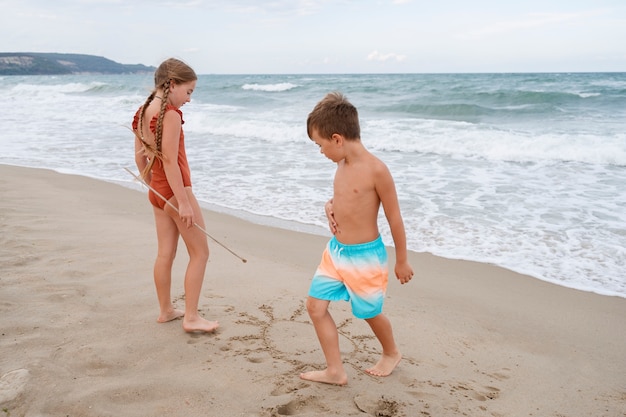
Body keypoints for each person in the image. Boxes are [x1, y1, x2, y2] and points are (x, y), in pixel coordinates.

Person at [300, 92, 414, 385]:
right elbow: (346, 198)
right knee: (315, 307)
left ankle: (391, 351)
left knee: (369, 312)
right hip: (336, 252)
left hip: (365, 257)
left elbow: (395, 217)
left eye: (320, 145)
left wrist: (402, 260)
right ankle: (335, 370)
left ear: (337, 139)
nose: (321, 152)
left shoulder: (377, 170)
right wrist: (329, 207)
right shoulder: (341, 165)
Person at [132, 58, 218, 333]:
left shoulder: (143, 109)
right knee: (200, 253)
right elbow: (170, 161)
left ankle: (166, 310)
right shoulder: (169, 114)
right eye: (189, 91)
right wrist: (183, 202)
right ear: (172, 84)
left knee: (165, 254)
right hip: (174, 192)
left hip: (157, 191)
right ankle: (191, 317)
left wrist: (151, 185)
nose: (189, 99)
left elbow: (139, 157)